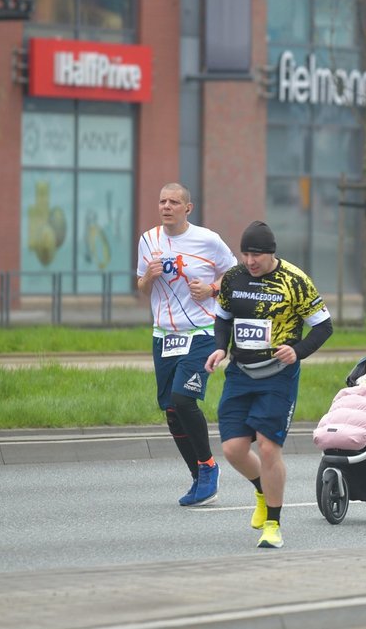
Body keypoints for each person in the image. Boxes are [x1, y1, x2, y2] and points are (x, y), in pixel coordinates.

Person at [205, 221, 333, 548]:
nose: (250, 261)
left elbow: (323, 326)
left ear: (271, 253)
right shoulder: (234, 278)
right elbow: (223, 317)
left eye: (257, 255)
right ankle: (261, 489)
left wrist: (298, 350)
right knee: (233, 449)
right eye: (246, 253)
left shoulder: (295, 281)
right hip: (240, 372)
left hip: (278, 374)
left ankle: (273, 524)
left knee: (266, 445)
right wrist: (220, 347)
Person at [136, 182, 237, 507]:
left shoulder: (207, 240)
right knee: (170, 410)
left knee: (183, 399)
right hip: (164, 335)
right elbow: (141, 288)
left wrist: (211, 289)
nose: (166, 206)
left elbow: (234, 274)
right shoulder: (148, 240)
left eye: (174, 202)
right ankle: (198, 477)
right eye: (162, 201)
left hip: (202, 332)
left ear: (187, 208)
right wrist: (149, 277)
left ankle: (209, 467)